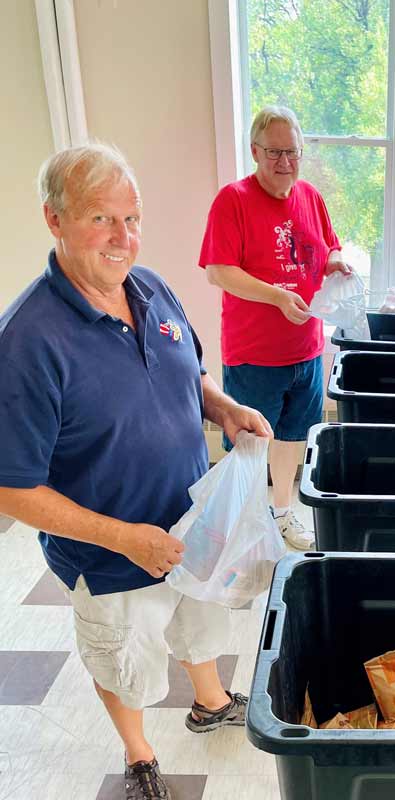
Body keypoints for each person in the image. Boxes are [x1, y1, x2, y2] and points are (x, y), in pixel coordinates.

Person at [0, 144, 272, 800]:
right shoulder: (26, 342)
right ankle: (140, 754)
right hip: (115, 556)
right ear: (55, 219)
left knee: (197, 618)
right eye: (102, 219)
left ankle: (209, 701)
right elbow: (12, 487)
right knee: (126, 659)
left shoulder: (149, 288)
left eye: (133, 217)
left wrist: (227, 408)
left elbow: (192, 374)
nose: (124, 238)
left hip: (190, 519)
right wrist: (125, 539)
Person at [199, 105, 351, 550]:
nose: (285, 162)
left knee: (292, 438)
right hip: (254, 353)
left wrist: (336, 261)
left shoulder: (310, 197)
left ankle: (282, 514)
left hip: (306, 348)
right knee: (247, 446)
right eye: (274, 153)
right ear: (255, 152)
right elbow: (219, 270)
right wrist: (278, 296)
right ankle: (239, 532)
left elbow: (328, 248)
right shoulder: (234, 200)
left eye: (293, 152)